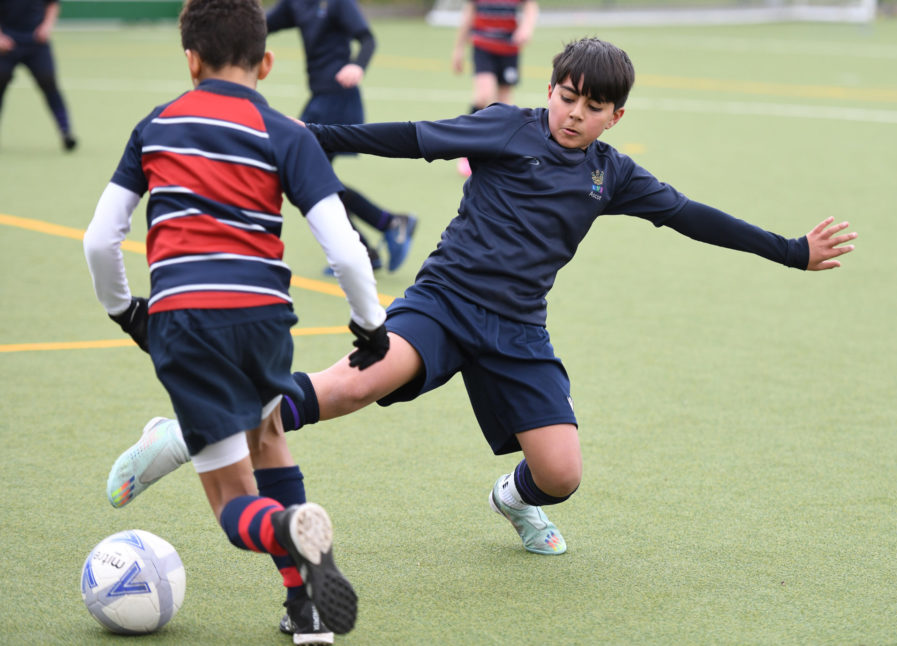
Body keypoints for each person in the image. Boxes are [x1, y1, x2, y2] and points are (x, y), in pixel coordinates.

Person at [105, 38, 857, 563]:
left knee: (561, 475)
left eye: (593, 108)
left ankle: (511, 498)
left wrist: (790, 251)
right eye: (567, 97)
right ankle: (188, 431)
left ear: (614, 117)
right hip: (443, 302)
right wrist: (313, 133)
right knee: (352, 386)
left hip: (519, 331)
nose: (574, 114)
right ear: (551, 89)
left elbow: (692, 215)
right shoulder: (507, 127)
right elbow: (411, 136)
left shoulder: (612, 174)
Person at [83, 0, 392, 642]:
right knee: (270, 436)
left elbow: (98, 240)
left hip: (188, 320)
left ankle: (284, 529)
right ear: (268, 61)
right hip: (265, 319)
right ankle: (306, 611)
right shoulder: (288, 133)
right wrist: (372, 325)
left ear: (191, 60)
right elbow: (344, 249)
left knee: (233, 505)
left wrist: (126, 311)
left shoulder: (156, 125)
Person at [266, 0, 418, 274]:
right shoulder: (295, 4)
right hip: (319, 100)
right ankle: (383, 231)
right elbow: (260, 26)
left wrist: (357, 66)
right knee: (312, 178)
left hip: (339, 98)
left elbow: (368, 39)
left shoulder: (337, 2)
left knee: (311, 177)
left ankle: (380, 233)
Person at [451, 0, 538, 177]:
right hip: (483, 46)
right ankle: (467, 149)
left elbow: (531, 6)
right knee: (483, 96)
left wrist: (526, 28)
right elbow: (468, 14)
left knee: (504, 106)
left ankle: (500, 154)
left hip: (509, 49)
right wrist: (459, 48)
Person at [0, 0, 76, 150]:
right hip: (6, 42)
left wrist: (47, 26)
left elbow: (52, 4)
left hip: (36, 41)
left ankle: (66, 132)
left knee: (48, 81)